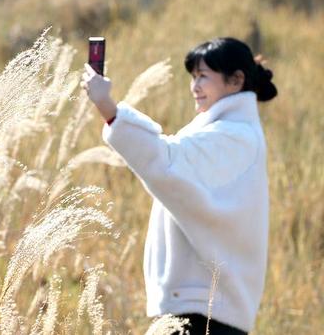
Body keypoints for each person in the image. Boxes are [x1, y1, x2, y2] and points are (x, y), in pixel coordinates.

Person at [80, 37, 277, 335]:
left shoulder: (236, 136)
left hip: (203, 317)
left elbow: (166, 159)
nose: (194, 86)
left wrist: (107, 106)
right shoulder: (228, 131)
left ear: (236, 81)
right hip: (201, 312)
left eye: (203, 76)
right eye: (193, 77)